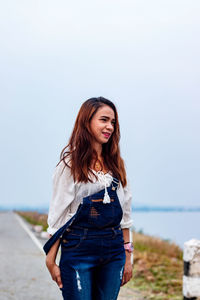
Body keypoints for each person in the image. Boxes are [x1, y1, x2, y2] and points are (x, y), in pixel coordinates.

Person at [44, 97, 134, 300]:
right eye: (104, 120)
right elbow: (58, 216)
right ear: (87, 121)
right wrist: (51, 260)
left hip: (113, 251)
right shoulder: (69, 165)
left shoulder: (117, 165)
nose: (109, 127)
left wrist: (128, 257)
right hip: (78, 249)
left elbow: (125, 217)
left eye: (113, 122)